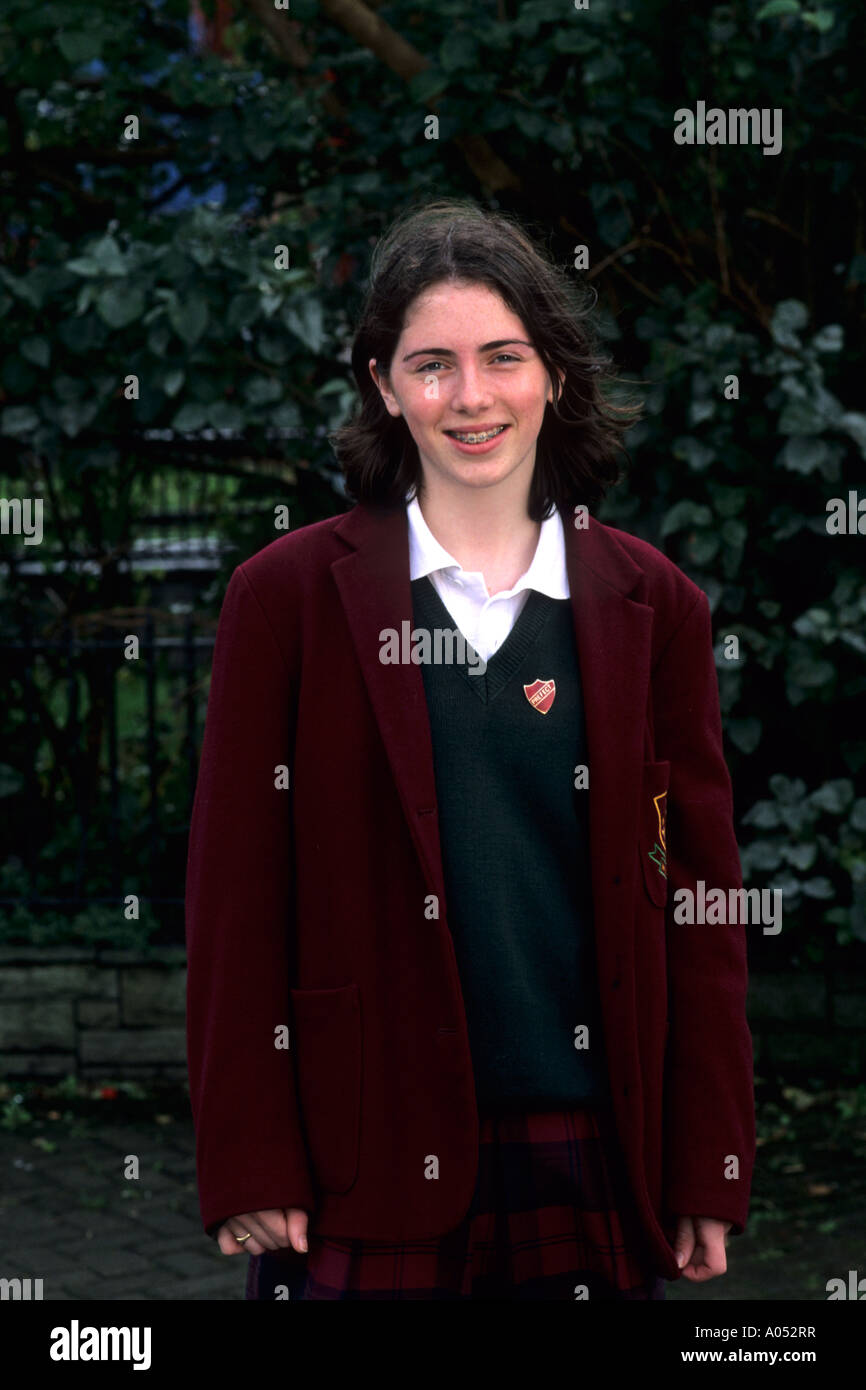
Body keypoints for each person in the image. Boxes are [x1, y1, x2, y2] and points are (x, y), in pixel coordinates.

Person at [184, 198, 755, 1301]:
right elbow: (234, 904)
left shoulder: (656, 605)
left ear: (550, 374)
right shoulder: (286, 601)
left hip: (592, 1153)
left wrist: (708, 1159)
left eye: (502, 357)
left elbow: (700, 909)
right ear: (383, 386)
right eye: (430, 364)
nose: (470, 396)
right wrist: (248, 1154)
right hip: (360, 1163)